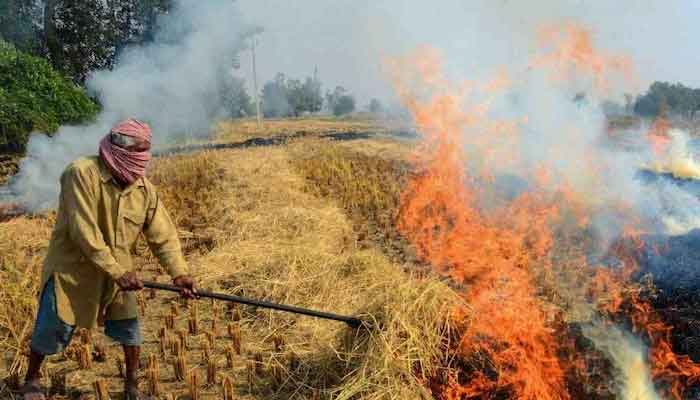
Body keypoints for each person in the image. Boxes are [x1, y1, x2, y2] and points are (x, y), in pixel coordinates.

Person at [21, 119, 196, 400]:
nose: (136, 170)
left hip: (118, 273)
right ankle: (31, 380)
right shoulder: (80, 173)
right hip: (72, 270)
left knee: (130, 330)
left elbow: (163, 235)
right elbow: (83, 230)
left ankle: (132, 388)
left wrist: (180, 274)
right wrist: (116, 270)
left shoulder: (144, 190)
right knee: (53, 325)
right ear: (115, 152)